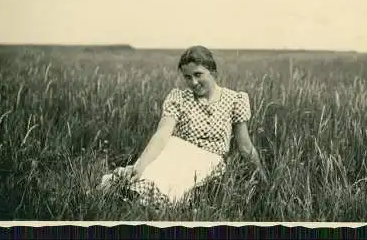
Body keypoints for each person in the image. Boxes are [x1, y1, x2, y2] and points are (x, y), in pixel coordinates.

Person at [99, 45, 268, 208]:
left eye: (198, 74)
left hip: (209, 159)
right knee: (152, 169)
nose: (193, 82)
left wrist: (263, 178)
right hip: (176, 150)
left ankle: (147, 198)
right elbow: (162, 134)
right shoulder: (179, 98)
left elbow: (245, 146)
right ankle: (133, 190)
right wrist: (141, 164)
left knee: (172, 182)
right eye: (188, 77)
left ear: (213, 72)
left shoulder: (234, 100)